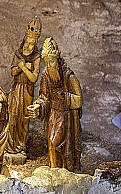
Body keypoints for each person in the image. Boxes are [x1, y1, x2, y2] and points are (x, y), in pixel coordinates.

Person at [27, 38, 83, 172]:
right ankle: (55, 170)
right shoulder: (46, 75)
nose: (50, 65)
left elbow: (79, 100)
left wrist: (64, 97)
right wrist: (38, 106)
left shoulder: (69, 77)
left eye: (52, 61)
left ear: (57, 60)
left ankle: (65, 171)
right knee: (52, 145)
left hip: (66, 117)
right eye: (46, 62)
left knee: (56, 143)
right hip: (53, 115)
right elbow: (44, 97)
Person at [5, 16, 42, 161]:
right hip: (16, 88)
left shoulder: (37, 57)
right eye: (28, 41)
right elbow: (12, 71)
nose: (29, 44)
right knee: (13, 115)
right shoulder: (18, 53)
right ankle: (10, 146)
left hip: (27, 90)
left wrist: (23, 67)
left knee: (23, 118)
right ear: (25, 40)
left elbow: (33, 78)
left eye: (33, 42)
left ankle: (20, 147)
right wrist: (21, 66)